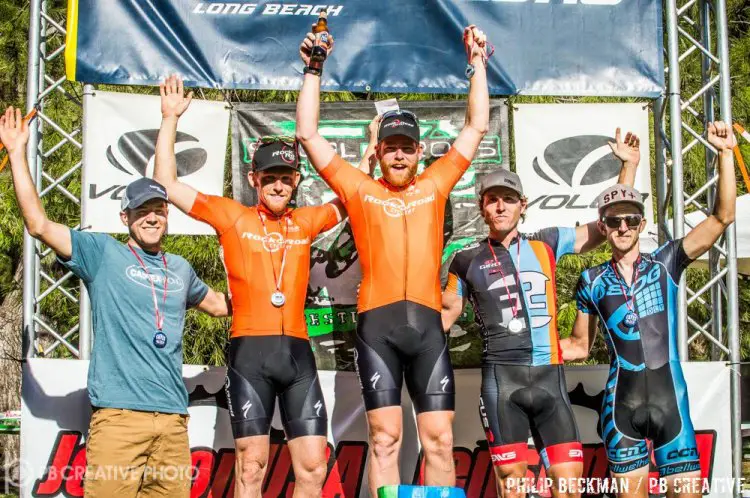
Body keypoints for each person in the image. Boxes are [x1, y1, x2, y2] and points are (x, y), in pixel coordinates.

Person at [295, 24, 490, 494]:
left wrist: (478, 63)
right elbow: (306, 133)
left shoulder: (435, 183)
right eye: (391, 148)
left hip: (426, 328)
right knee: (384, 438)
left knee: (440, 440)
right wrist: (313, 69)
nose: (399, 156)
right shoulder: (361, 190)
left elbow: (476, 125)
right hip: (377, 327)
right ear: (377, 152)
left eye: (407, 148)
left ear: (420, 153)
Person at [0, 106, 229, 497]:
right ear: (126, 217)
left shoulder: (180, 268)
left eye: (159, 210)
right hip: (119, 419)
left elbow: (222, 306)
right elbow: (38, 224)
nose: (153, 218)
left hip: (173, 422)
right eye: (143, 212)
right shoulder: (101, 253)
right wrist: (18, 152)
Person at [152, 76, 345, 498]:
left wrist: (368, 152)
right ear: (255, 179)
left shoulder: (307, 221)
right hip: (249, 354)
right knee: (251, 467)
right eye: (271, 176)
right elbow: (167, 186)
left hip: (297, 354)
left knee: (313, 466)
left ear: (296, 182)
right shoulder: (231, 216)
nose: (279, 185)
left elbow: (354, 195)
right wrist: (169, 120)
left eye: (287, 177)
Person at [441, 129, 642, 498]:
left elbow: (602, 230)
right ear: (483, 207)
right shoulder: (465, 260)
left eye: (508, 199)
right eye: (492, 200)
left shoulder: (546, 243)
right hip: (502, 383)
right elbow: (446, 314)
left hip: (551, 380)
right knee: (513, 487)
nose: (500, 207)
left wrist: (627, 168)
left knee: (568, 488)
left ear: (523, 204)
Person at [563, 122, 737, 498]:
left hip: (670, 405)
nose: (622, 226)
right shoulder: (590, 280)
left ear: (642, 224)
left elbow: (721, 218)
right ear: (603, 227)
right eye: (613, 220)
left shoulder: (666, 262)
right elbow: (578, 346)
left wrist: (725, 154)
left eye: (630, 220)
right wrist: (519, 347)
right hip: (620, 410)